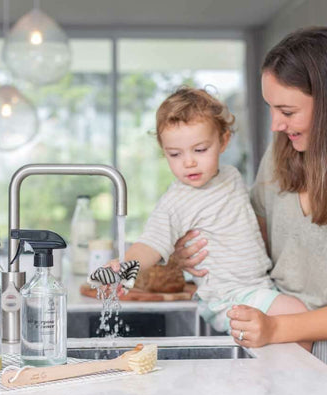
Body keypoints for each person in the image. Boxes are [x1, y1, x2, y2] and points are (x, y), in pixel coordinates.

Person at [104, 86, 311, 349]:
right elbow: (151, 243)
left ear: (223, 141)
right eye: (175, 154)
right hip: (227, 296)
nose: (188, 162)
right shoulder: (175, 202)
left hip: (259, 286)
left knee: (280, 345)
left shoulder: (231, 176)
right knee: (296, 316)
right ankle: (300, 389)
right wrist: (126, 264)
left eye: (200, 150)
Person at [171, 27, 327, 361]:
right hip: (278, 334)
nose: (275, 125)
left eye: (287, 112)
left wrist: (278, 328)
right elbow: (251, 234)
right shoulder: (282, 153)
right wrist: (192, 254)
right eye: (271, 108)